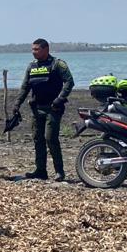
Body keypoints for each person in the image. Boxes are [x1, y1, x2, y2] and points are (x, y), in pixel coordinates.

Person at [11, 38, 75, 181]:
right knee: (38, 139)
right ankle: (41, 171)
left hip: (53, 108)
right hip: (36, 108)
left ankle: (59, 171)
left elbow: (69, 82)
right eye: (32, 49)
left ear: (46, 49)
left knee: (50, 138)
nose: (33, 52)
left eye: (36, 49)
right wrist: (17, 104)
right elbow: (25, 87)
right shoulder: (31, 66)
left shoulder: (57, 64)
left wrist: (60, 99)